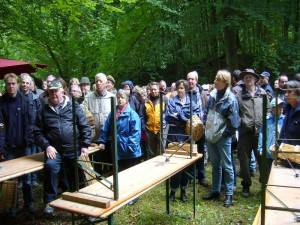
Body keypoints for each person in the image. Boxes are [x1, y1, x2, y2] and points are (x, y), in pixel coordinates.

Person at [34, 79, 91, 214]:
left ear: (62, 92)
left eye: (56, 91)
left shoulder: (73, 106)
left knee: (77, 172)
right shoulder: (43, 110)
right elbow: (37, 132)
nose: (54, 94)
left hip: (73, 148)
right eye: (51, 92)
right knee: (50, 167)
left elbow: (84, 125)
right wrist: (47, 146)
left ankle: (80, 198)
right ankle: (49, 202)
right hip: (55, 150)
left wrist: (85, 145)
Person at [202, 70, 240, 207]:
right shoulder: (212, 95)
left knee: (227, 165)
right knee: (215, 165)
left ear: (225, 82)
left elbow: (234, 122)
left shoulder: (231, 99)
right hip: (210, 135)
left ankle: (229, 194)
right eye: (215, 78)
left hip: (223, 138)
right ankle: (215, 190)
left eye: (218, 79)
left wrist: (224, 134)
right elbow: (208, 113)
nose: (215, 81)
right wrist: (206, 127)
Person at [0, 73, 35, 216]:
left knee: (27, 177)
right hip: (9, 147)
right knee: (11, 178)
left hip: (24, 145)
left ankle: (29, 203)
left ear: (18, 84)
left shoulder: (24, 100)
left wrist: (30, 140)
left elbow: (31, 122)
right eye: (8, 84)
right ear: (5, 85)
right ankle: (13, 207)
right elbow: (0, 127)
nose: (11, 86)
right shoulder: (1, 103)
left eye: (13, 84)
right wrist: (1, 148)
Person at [98, 89, 141, 205]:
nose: (120, 99)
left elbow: (136, 133)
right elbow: (106, 127)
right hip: (117, 149)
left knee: (131, 173)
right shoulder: (113, 113)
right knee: (120, 173)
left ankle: (134, 195)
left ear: (127, 99)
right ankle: (122, 193)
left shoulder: (132, 115)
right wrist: (102, 141)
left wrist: (129, 148)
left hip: (129, 151)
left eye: (122, 97)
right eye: (118, 97)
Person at [236, 68, 269, 197]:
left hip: (260, 133)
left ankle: (264, 184)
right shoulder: (239, 95)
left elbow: (268, 109)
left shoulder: (263, 93)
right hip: (245, 133)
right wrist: (242, 121)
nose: (248, 79)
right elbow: (235, 112)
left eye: (250, 77)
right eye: (246, 77)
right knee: (244, 160)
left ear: (255, 79)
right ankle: (246, 185)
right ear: (243, 80)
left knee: (262, 159)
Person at [165, 79, 200, 203]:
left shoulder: (192, 102)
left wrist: (179, 114)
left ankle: (183, 190)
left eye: (183, 88)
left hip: (187, 136)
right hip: (174, 135)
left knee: (187, 165)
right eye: (179, 88)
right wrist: (185, 117)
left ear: (186, 89)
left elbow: (196, 116)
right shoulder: (171, 101)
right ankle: (173, 191)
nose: (181, 90)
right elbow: (168, 116)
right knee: (175, 164)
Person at [83, 73, 115, 173]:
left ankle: (110, 177)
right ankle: (97, 179)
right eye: (97, 81)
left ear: (106, 83)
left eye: (101, 81)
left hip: (109, 137)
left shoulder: (112, 97)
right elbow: (82, 112)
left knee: (109, 160)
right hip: (94, 137)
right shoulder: (88, 97)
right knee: (96, 162)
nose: (98, 83)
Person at [186, 71, 209, 187]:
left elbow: (206, 109)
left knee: (200, 152)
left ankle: (201, 176)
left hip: (201, 128)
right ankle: (189, 176)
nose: (190, 81)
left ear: (196, 81)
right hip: (188, 129)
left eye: (192, 79)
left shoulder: (202, 94)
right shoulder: (184, 93)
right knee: (189, 152)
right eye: (189, 79)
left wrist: (204, 124)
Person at [20, 73, 42, 186]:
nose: (25, 84)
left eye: (27, 83)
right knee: (22, 159)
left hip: (33, 134)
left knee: (32, 158)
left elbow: (39, 116)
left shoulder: (35, 98)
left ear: (30, 84)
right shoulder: (16, 97)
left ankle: (33, 179)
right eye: (23, 82)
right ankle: (23, 181)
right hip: (20, 135)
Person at [258, 98, 285, 181]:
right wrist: (260, 148)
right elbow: (261, 134)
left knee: (280, 172)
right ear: (272, 109)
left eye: (281, 107)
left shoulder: (284, 120)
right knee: (268, 172)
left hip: (280, 152)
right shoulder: (266, 120)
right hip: (268, 152)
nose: (281, 109)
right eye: (278, 107)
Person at [143, 82, 168, 157]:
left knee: (161, 150)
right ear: (149, 90)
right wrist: (144, 126)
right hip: (149, 129)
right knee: (151, 152)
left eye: (155, 89)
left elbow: (168, 113)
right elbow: (143, 115)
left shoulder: (164, 99)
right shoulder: (146, 101)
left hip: (161, 128)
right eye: (152, 89)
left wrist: (165, 125)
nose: (153, 91)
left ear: (158, 89)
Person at [279, 80, 300, 146]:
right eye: (285, 92)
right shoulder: (288, 108)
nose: (286, 94)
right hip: (284, 152)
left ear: (298, 93)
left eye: (289, 91)